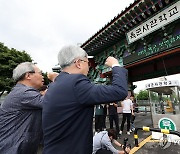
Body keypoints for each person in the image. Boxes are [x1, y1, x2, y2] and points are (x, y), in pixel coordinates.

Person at [42, 45, 128, 154]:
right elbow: (119, 91)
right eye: (87, 62)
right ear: (78, 63)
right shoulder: (77, 83)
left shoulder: (54, 85)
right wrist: (115, 65)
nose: (89, 67)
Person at [0, 62, 45, 154]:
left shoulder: (21, 91)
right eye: (40, 73)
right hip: (12, 149)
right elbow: (52, 102)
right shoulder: (24, 92)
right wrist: (58, 79)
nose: (43, 76)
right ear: (28, 75)